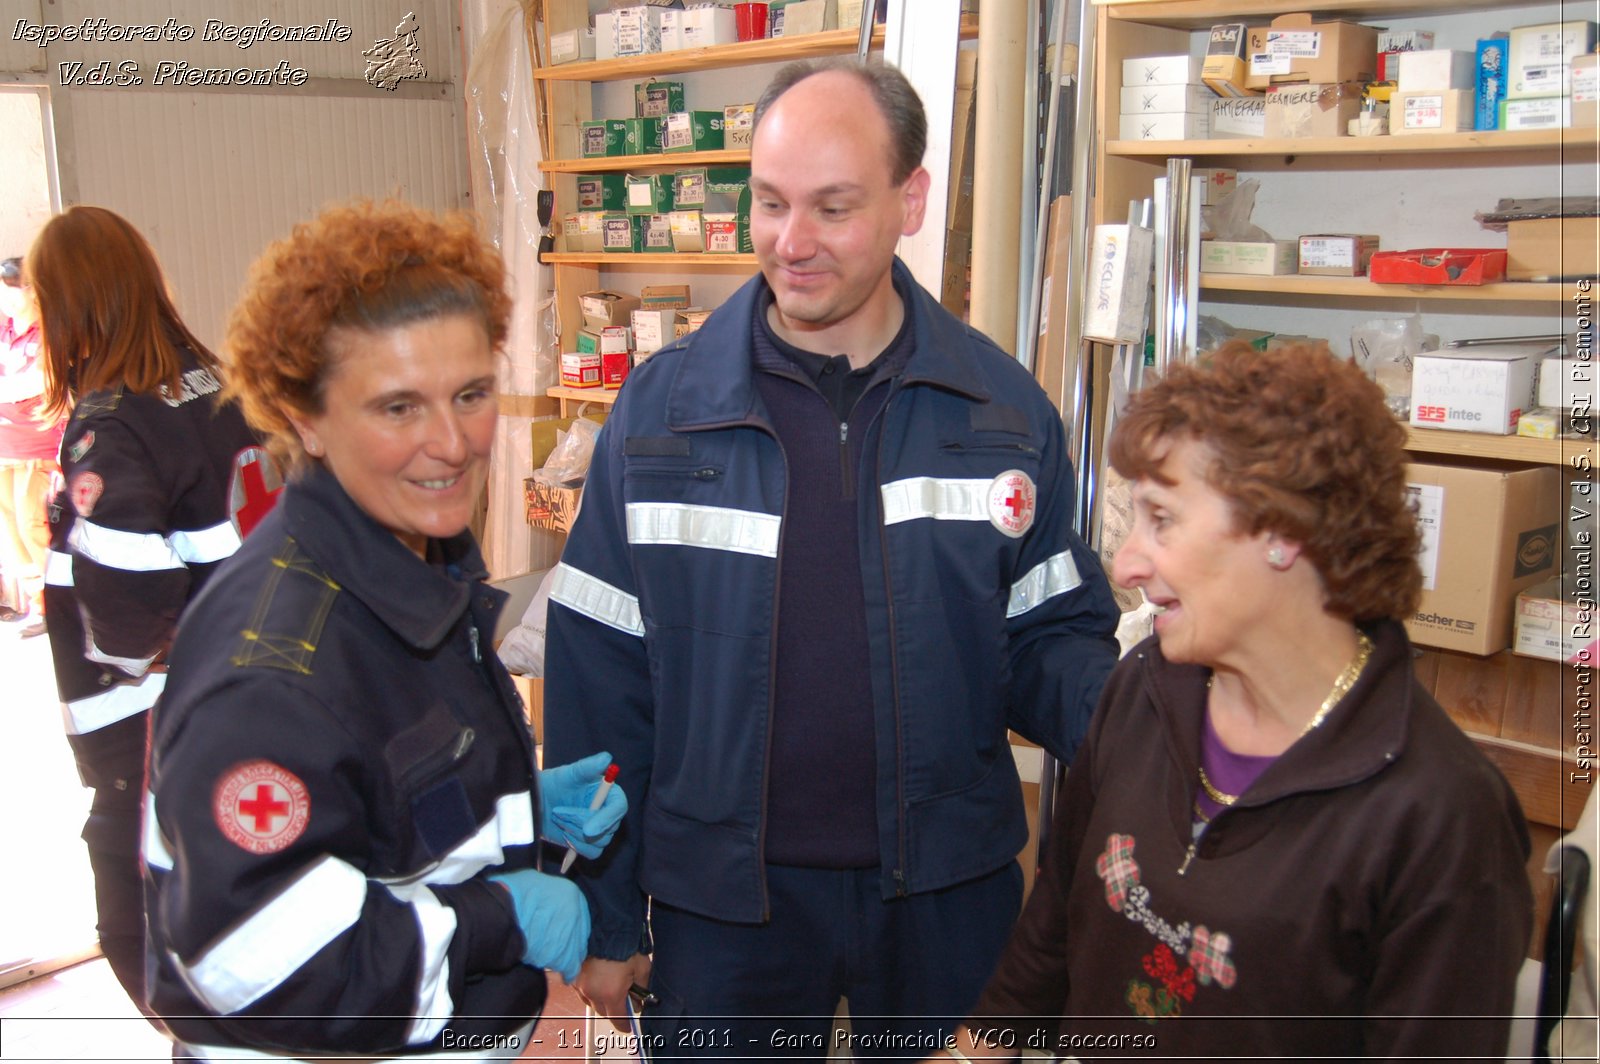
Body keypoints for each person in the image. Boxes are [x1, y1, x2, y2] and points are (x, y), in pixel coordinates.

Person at [543, 57, 1120, 1057]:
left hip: (947, 896)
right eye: (769, 204)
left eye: (831, 208)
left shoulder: (999, 411)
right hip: (723, 907)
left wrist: (1166, 728)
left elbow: (1052, 640)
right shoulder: (661, 416)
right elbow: (599, 681)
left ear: (910, 200)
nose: (791, 243)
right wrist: (602, 909)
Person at [954, 341, 1533, 1060]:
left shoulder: (1437, 815)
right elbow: (1058, 918)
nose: (1127, 563)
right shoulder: (1143, 690)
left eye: (1162, 519)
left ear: (1284, 533)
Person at [143, 200, 627, 1060]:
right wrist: (498, 920)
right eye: (398, 407)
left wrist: (514, 811)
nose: (452, 444)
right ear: (305, 419)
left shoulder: (421, 554)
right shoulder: (271, 673)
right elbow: (250, 968)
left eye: (471, 394)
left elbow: (375, 803)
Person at [28, 207, 263, 1018]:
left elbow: (128, 617)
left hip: (150, 738)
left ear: (68, 306)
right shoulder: (218, 383)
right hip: (250, 697)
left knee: (148, 954)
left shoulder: (111, 424)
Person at [0, 255, 62, 637]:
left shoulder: (48, 333)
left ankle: (55, 605)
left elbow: (39, 383)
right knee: (11, 528)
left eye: (13, 287)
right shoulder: (4, 330)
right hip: (5, 446)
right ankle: (38, 605)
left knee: (34, 525)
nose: (7, 295)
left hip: (37, 446)